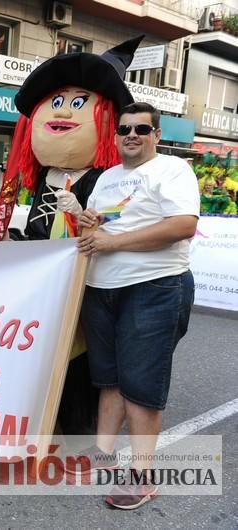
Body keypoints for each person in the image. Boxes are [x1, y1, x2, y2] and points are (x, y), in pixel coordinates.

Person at [7, 36, 143, 436]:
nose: (64, 110)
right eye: (58, 100)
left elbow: (113, 227)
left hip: (87, 283)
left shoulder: (107, 179)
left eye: (79, 102)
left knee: (79, 352)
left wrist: (81, 217)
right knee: (40, 350)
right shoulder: (40, 177)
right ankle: (39, 417)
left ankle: (78, 427)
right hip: (42, 282)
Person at [75, 102, 199, 510]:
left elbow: (183, 225)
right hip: (102, 287)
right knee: (108, 379)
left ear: (156, 135)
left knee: (141, 388)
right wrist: (82, 219)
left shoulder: (173, 170)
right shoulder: (107, 178)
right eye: (125, 129)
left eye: (141, 129)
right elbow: (99, 229)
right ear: (115, 137)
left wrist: (112, 242)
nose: (132, 134)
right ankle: (104, 454)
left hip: (153, 288)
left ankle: (143, 478)